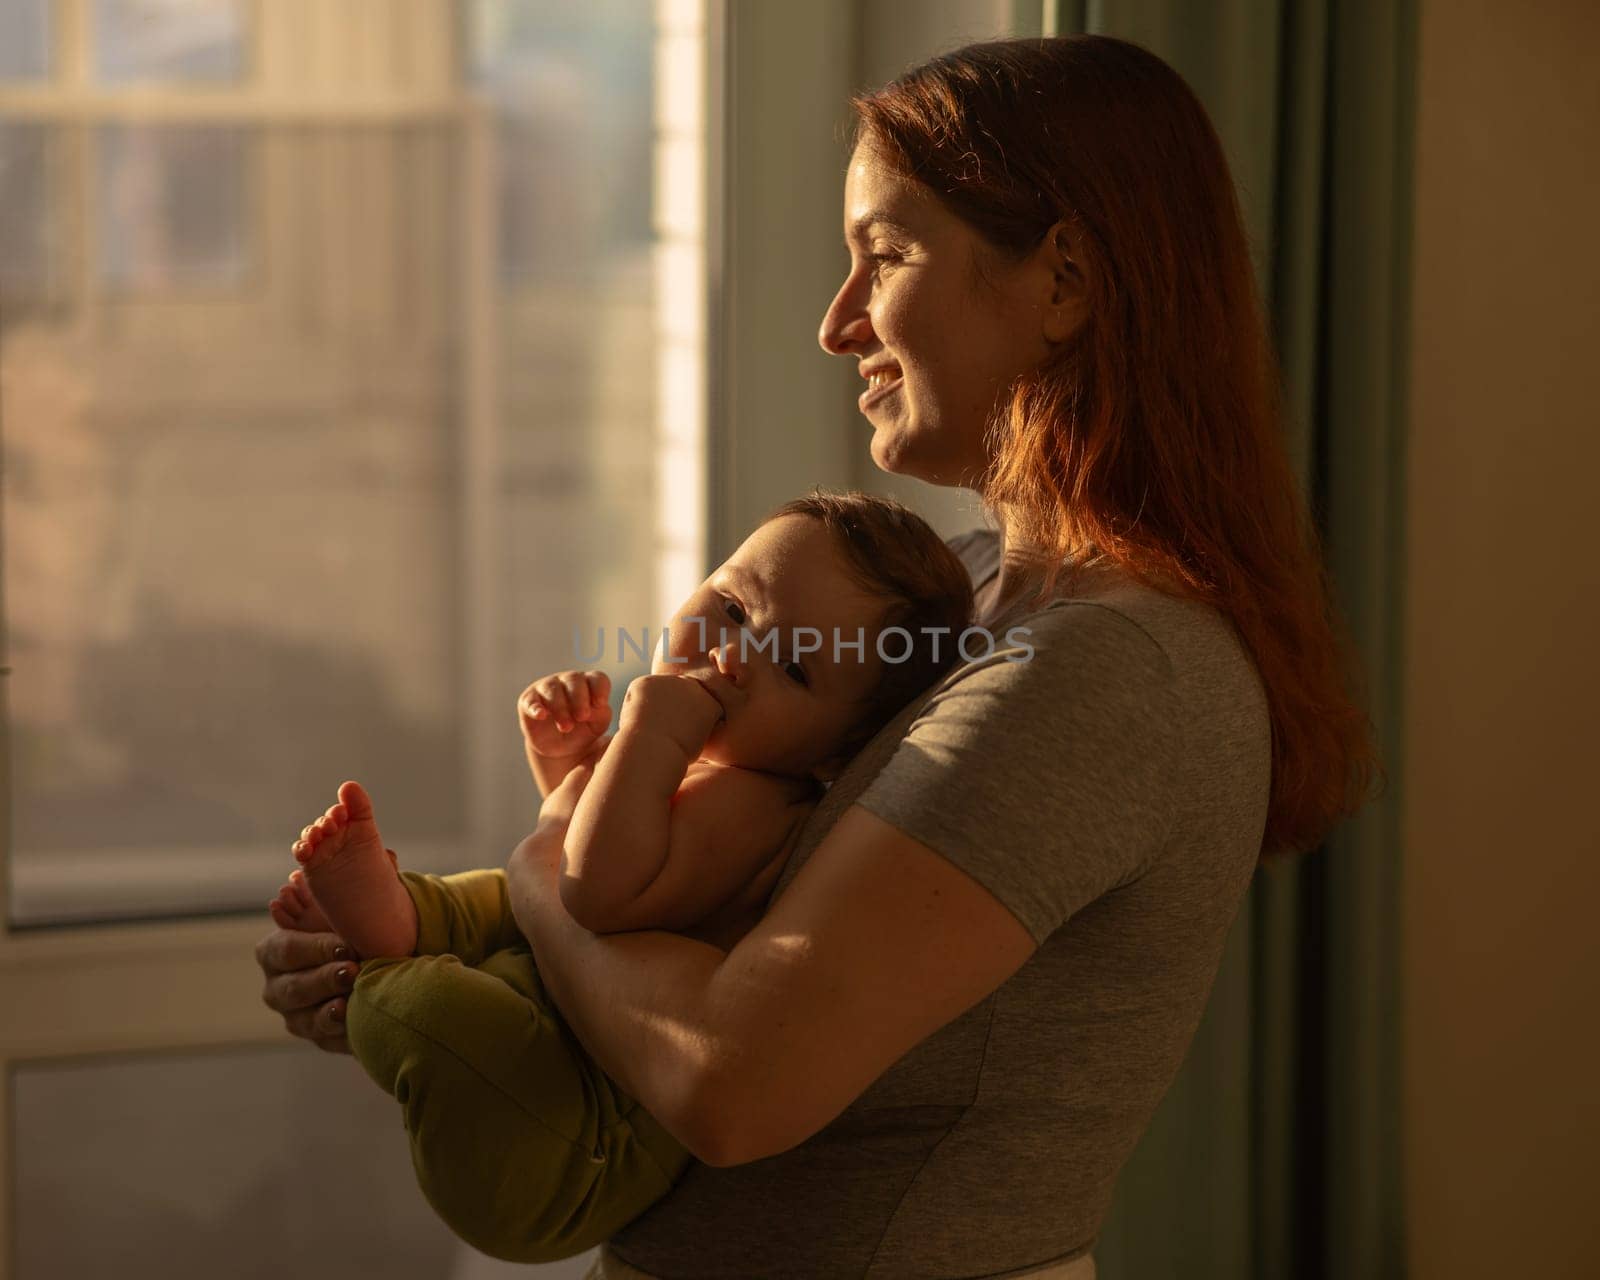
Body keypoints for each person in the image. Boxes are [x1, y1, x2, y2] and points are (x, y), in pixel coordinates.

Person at [256, 34, 1377, 1279]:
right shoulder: (970, 597)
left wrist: (530, 881)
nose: (837, 322)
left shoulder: (1100, 669)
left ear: (1062, 279)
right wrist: (407, 955)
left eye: (885, 256)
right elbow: (703, 937)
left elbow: (734, 1084)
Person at [266, 492, 974, 1263]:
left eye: (795, 668)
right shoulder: (711, 762)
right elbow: (574, 836)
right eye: (734, 606)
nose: (734, 657)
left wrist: (643, 729)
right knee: (480, 896)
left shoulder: (760, 805)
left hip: (572, 1124)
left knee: (431, 996)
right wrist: (568, 757)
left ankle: (390, 969)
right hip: (551, 990)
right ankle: (387, 914)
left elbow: (595, 890)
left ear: (836, 753)